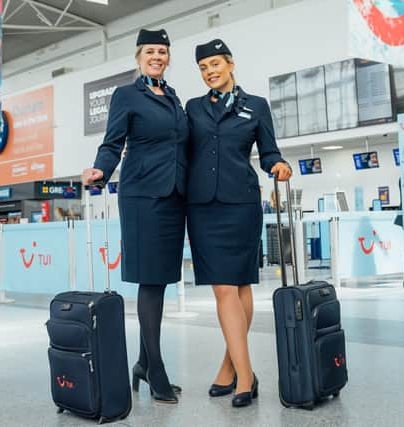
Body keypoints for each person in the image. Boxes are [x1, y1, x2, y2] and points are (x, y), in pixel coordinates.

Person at [81, 28, 187, 404]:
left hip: (174, 197)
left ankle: (143, 362)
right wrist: (100, 169)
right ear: (139, 57)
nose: (157, 56)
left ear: (168, 57)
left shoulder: (174, 98)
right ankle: (155, 368)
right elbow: (113, 142)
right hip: (142, 196)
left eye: (163, 51)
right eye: (150, 52)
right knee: (149, 280)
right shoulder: (126, 95)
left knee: (160, 280)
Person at [185, 39, 291, 408]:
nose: (210, 71)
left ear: (230, 64)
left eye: (215, 64)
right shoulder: (193, 108)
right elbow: (182, 151)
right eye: (203, 67)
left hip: (242, 205)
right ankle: (244, 374)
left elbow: (269, 150)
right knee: (223, 289)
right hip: (202, 207)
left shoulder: (256, 106)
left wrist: (279, 165)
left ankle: (234, 369)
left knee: (241, 286)